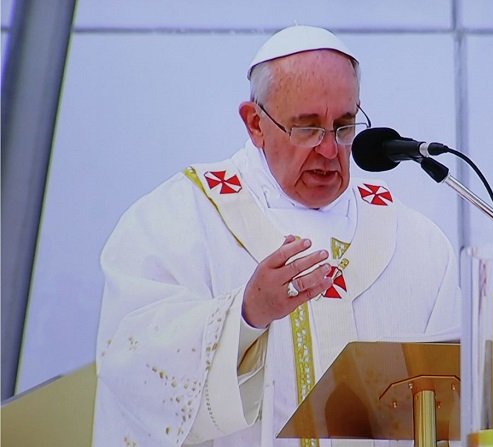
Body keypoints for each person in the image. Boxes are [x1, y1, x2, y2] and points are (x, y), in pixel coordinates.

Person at [93, 25, 460, 447]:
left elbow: (453, 399)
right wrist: (245, 315)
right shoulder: (176, 221)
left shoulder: (416, 243)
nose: (329, 150)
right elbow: (132, 366)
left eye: (343, 127)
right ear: (255, 124)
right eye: (307, 128)